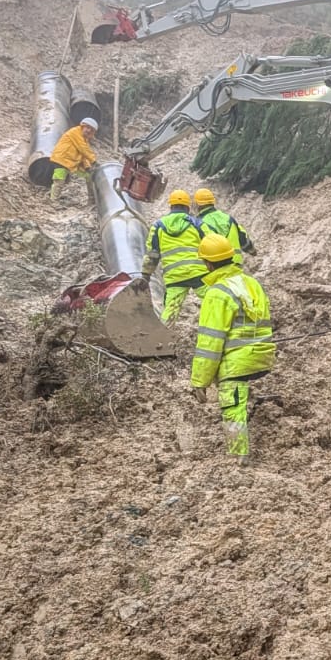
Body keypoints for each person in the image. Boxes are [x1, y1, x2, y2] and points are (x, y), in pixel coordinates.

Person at [190, 232, 275, 460]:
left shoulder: (217, 294)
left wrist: (200, 381)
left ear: (207, 263)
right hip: (263, 355)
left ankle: (239, 458)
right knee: (241, 386)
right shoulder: (252, 283)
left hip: (237, 362)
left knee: (232, 405)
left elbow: (210, 343)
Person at [142, 189, 207, 324]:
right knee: (214, 301)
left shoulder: (158, 226)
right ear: (187, 206)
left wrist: (146, 275)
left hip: (175, 277)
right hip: (199, 274)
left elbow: (152, 255)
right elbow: (211, 244)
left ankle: (162, 338)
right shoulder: (196, 223)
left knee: (170, 311)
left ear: (170, 206)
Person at [193, 187, 256, 267]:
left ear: (197, 204)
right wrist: (251, 250)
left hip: (215, 267)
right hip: (236, 264)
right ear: (213, 202)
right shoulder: (228, 218)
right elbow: (242, 236)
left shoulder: (199, 224)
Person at [47, 117, 98, 202]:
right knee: (59, 180)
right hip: (61, 159)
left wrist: (87, 167)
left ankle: (92, 199)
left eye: (91, 130)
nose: (88, 130)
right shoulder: (75, 132)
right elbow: (83, 149)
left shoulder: (84, 139)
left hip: (71, 161)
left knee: (88, 176)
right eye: (87, 127)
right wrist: (94, 161)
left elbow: (83, 155)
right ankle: (53, 200)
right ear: (82, 126)